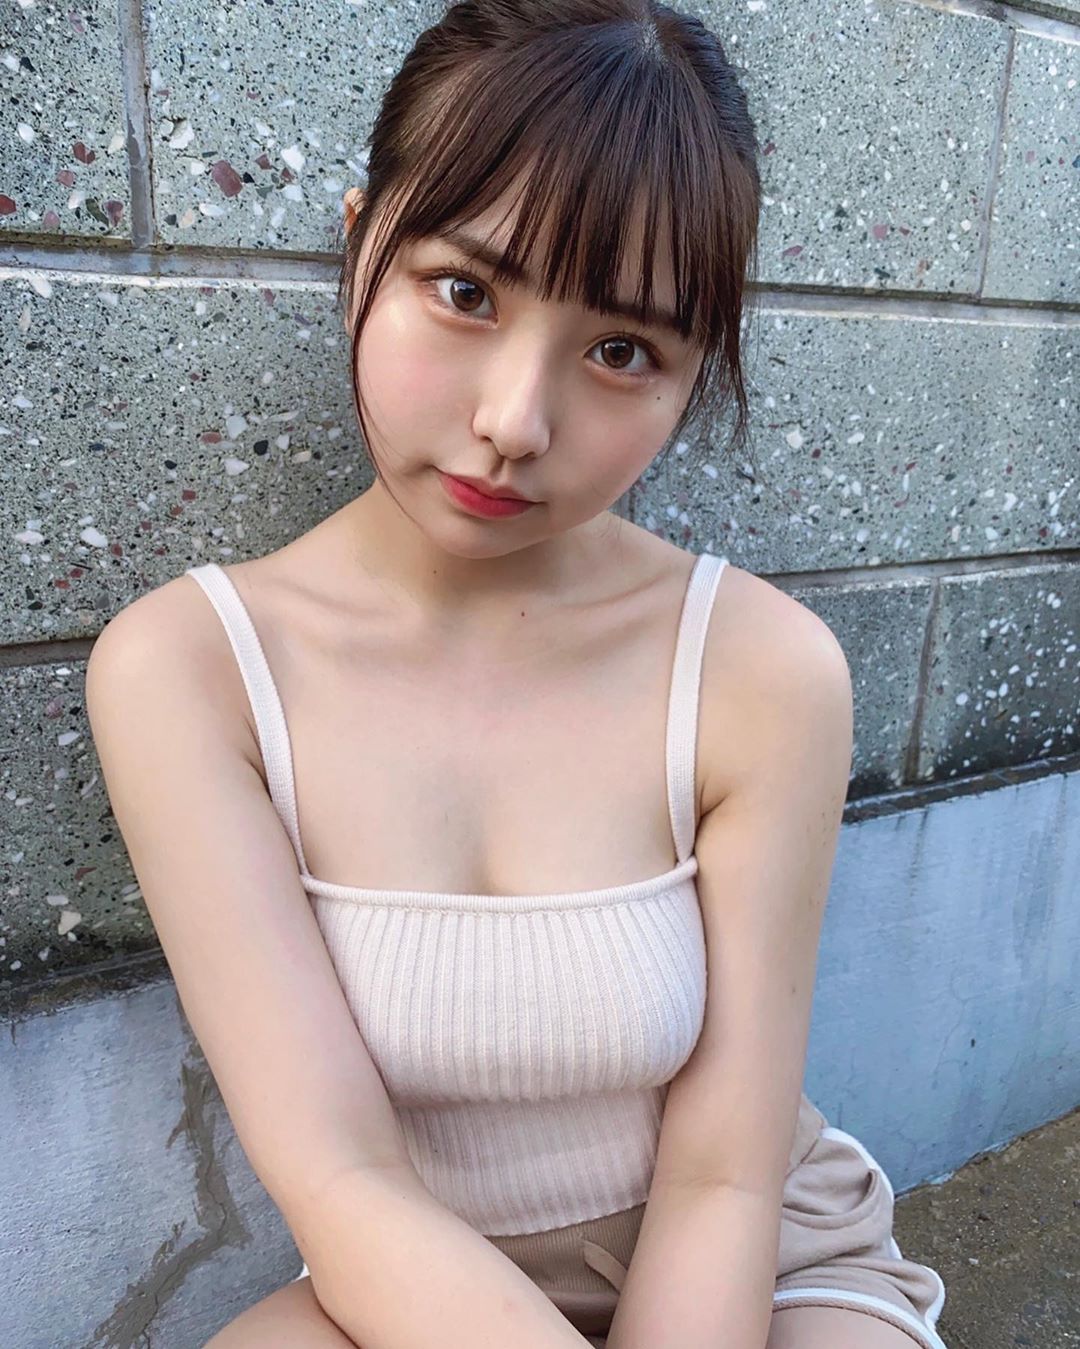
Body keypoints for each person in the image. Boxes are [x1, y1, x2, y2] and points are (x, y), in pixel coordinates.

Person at [86, 3, 950, 1347]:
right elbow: (341, 1176)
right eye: (466, 292)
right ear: (362, 242)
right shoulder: (190, 672)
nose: (515, 421)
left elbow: (724, 1173)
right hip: (414, 1279)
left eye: (622, 351)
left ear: (692, 375)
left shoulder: (760, 667)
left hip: (764, 1259)